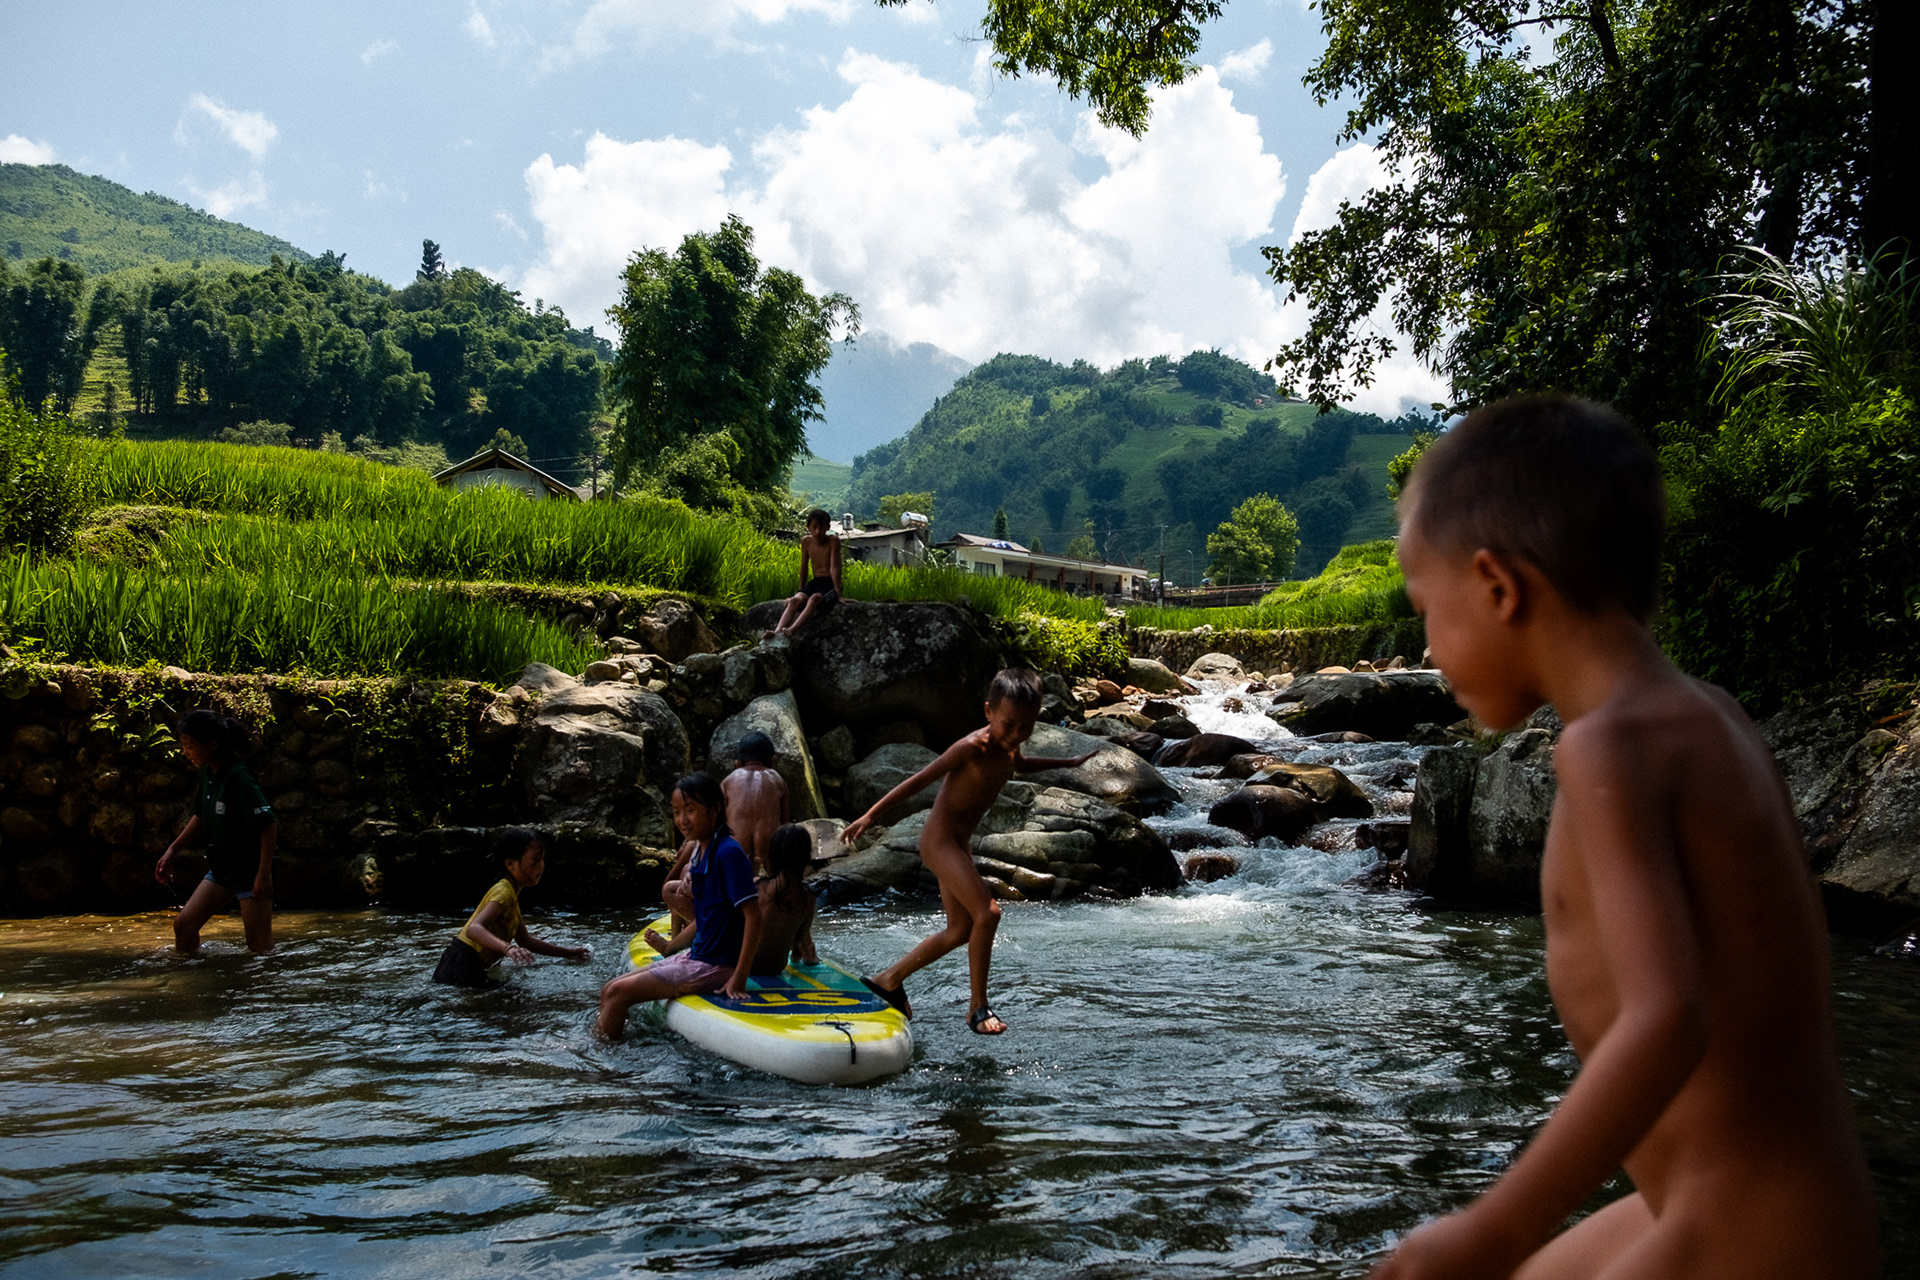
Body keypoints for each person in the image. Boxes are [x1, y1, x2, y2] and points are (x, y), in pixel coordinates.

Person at [1373, 395, 1877, 1280]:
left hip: (1744, 1232)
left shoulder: (1610, 748)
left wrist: (1494, 1228)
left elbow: (1666, 1018)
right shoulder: (1700, 716)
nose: (1427, 647)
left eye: (1424, 607)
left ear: (1498, 587)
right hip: (1740, 1202)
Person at [841, 669, 1097, 1034]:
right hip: (939, 842)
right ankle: (978, 1007)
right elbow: (919, 781)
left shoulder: (1010, 744)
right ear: (988, 711)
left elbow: (1020, 765)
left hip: (957, 844)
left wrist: (1067, 763)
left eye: (1026, 728)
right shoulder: (970, 747)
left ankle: (888, 980)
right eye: (1008, 725)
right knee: (988, 914)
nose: (1016, 735)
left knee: (961, 929)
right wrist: (869, 816)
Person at [597, 773, 762, 1039]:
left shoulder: (728, 853)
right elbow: (705, 920)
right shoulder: (700, 850)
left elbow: (753, 917)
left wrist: (740, 976)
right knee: (609, 989)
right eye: (676, 812)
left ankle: (605, 1069)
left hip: (716, 967)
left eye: (690, 810)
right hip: (698, 955)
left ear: (714, 809)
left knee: (617, 994)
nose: (682, 820)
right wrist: (673, 947)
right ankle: (607, 1045)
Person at [154, 710, 277, 956]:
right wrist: (173, 850)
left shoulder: (239, 776)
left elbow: (268, 823)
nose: (185, 752)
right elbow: (201, 816)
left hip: (249, 871)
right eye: (183, 746)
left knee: (259, 947)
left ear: (212, 745)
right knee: (184, 925)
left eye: (189, 746)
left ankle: (266, 991)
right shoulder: (207, 773)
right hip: (222, 869)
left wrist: (263, 874)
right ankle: (189, 977)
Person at [431, 828, 588, 988]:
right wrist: (508, 948)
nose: (541, 866)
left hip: (462, 965)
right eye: (534, 861)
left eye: (542, 859)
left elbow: (525, 941)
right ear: (510, 864)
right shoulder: (504, 892)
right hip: (460, 964)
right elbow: (474, 929)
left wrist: (568, 953)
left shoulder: (511, 895)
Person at [751, 822, 819, 975]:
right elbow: (799, 937)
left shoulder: (756, 886)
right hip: (774, 968)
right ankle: (809, 956)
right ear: (807, 860)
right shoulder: (808, 897)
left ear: (771, 857)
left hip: (743, 965)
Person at [766, 508, 842, 638]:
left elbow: (834, 568)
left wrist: (838, 594)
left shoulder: (833, 540)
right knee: (794, 601)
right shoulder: (806, 541)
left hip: (829, 584)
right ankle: (777, 631)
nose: (818, 531)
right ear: (808, 527)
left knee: (814, 599)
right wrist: (800, 591)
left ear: (828, 527)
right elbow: (804, 567)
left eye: (822, 528)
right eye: (814, 527)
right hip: (815, 582)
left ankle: (792, 629)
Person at [721, 731, 789, 873]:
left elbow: (717, 822)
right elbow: (785, 826)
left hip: (736, 855)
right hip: (769, 859)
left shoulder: (728, 781)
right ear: (772, 761)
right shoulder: (778, 780)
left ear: (738, 764)